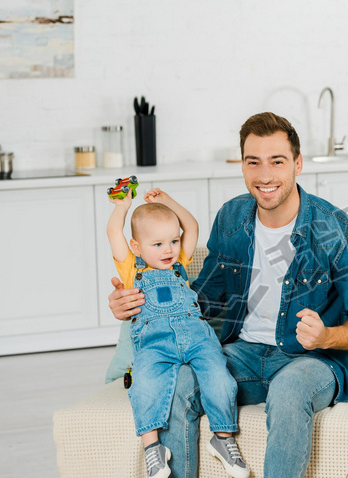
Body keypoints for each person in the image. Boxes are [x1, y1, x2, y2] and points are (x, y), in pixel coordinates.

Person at [108, 112, 348, 478]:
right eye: (253, 162)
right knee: (178, 385)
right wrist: (136, 303)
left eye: (277, 161)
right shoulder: (232, 217)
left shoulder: (337, 229)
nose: (265, 175)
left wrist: (327, 335)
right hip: (244, 351)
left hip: (311, 361)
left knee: (288, 391)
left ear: (298, 164)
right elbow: (202, 300)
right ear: (242, 165)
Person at [107, 188, 249, 478]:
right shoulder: (131, 272)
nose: (168, 249)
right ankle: (153, 449)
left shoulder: (179, 266)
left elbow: (192, 225)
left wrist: (167, 202)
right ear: (136, 247)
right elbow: (113, 231)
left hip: (197, 337)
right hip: (155, 345)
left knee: (220, 376)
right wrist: (122, 207)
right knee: (144, 384)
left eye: (173, 241)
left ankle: (222, 439)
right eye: (157, 243)